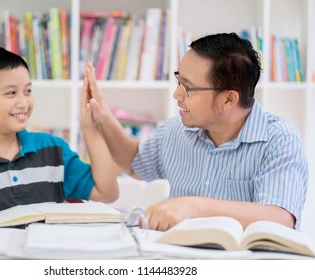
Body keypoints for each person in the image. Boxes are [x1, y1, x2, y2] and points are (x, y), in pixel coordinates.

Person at [82, 32, 308, 231]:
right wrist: (103, 117)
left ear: (229, 99)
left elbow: (280, 218)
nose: (177, 95)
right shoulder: (176, 130)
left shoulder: (279, 139)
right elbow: (134, 163)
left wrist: (193, 206)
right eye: (179, 81)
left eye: (188, 87)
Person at [0, 45, 118, 227]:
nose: (24, 102)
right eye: (11, 93)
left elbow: (107, 192)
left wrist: (91, 128)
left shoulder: (53, 150)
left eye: (28, 91)